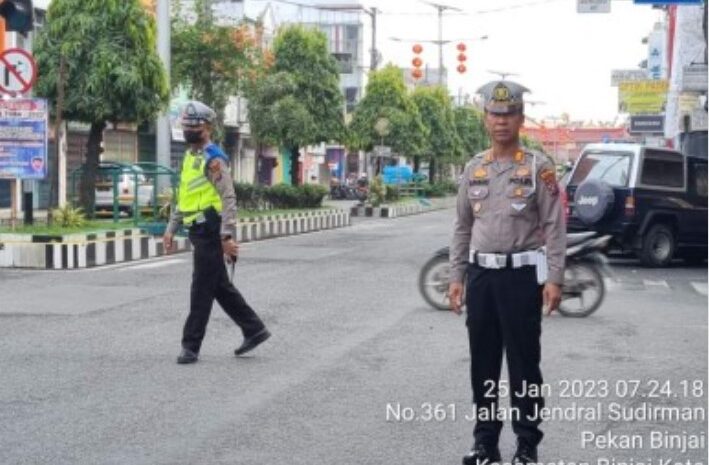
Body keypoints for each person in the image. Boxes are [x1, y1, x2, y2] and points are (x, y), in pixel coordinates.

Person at [448, 81, 566, 465]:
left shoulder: (537, 168)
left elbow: (553, 225)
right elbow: (462, 226)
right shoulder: (474, 168)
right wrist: (456, 277)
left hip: (520, 279)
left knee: (523, 364)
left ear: (521, 118)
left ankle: (527, 444)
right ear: (485, 118)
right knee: (482, 363)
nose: (501, 121)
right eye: (495, 114)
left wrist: (555, 278)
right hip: (481, 277)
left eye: (509, 113)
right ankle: (485, 444)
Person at [163, 100, 270, 365]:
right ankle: (254, 329)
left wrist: (226, 236)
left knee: (201, 288)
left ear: (207, 127)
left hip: (210, 228)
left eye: (194, 125)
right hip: (196, 229)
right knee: (219, 286)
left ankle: (190, 346)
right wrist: (171, 228)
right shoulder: (190, 157)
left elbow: (229, 198)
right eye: (186, 125)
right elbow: (185, 198)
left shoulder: (213, 159)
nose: (189, 129)